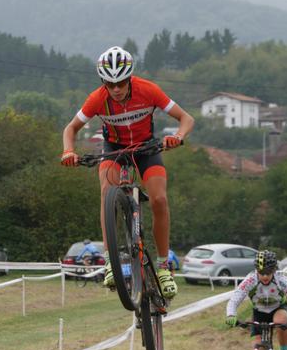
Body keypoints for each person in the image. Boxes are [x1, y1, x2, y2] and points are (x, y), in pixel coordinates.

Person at [60, 45, 194, 299]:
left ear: (129, 78)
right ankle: (111, 263)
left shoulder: (148, 90)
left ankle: (164, 267)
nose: (116, 89)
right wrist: (68, 151)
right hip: (114, 150)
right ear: (104, 83)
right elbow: (71, 128)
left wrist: (178, 136)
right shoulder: (97, 98)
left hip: (146, 148)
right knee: (106, 193)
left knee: (159, 199)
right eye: (110, 84)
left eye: (121, 83)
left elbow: (186, 119)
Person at [225, 249, 287, 350]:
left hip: (278, 308)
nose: (265, 276)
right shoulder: (250, 280)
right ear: (256, 270)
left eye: (268, 272)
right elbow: (234, 299)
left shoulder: (280, 279)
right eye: (261, 273)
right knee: (259, 347)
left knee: (280, 322)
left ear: (274, 270)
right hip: (259, 312)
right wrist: (231, 315)